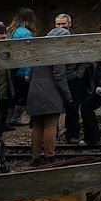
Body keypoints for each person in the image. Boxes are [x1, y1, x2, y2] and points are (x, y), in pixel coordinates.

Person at [26, 25, 72, 160]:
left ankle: (35, 156)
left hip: (34, 91)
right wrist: (68, 97)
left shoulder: (38, 51)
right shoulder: (56, 53)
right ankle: (50, 155)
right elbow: (59, 77)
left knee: (37, 125)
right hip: (50, 92)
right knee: (51, 124)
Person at [54, 13, 97, 146]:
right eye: (58, 24)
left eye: (63, 24)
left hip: (73, 79)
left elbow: (83, 59)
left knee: (73, 108)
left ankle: (72, 134)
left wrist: (78, 75)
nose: (61, 27)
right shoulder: (51, 39)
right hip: (56, 79)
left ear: (69, 24)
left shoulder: (75, 40)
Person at [8, 7, 36, 110]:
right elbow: (28, 54)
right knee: (23, 96)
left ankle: (10, 118)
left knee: (14, 94)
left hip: (13, 68)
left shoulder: (11, 31)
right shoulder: (26, 33)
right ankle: (17, 117)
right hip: (22, 70)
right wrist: (28, 74)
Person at [0, 20, 11, 173]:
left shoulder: (5, 51)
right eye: (1, 35)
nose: (4, 37)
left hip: (3, 96)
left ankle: (0, 162)